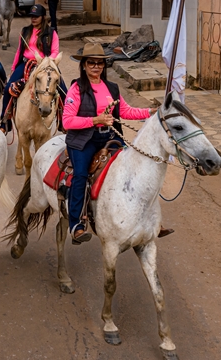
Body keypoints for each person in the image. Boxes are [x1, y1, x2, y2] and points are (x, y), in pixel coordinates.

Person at [63, 43, 156, 244]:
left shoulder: (111, 88)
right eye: (91, 63)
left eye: (99, 63)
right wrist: (95, 120)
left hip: (109, 138)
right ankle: (76, 224)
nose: (96, 67)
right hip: (83, 140)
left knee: (134, 167)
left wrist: (150, 112)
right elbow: (67, 121)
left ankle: (145, 218)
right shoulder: (76, 89)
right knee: (80, 175)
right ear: (84, 66)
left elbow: (126, 112)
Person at [0, 4, 61, 131]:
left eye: (36, 16)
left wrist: (46, 61)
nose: (33, 19)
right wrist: (13, 67)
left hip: (46, 64)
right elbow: (19, 51)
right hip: (26, 63)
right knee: (8, 89)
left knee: (63, 89)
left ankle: (63, 120)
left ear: (43, 17)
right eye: (32, 16)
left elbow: (55, 51)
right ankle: (5, 122)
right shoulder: (25, 31)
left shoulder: (51, 32)